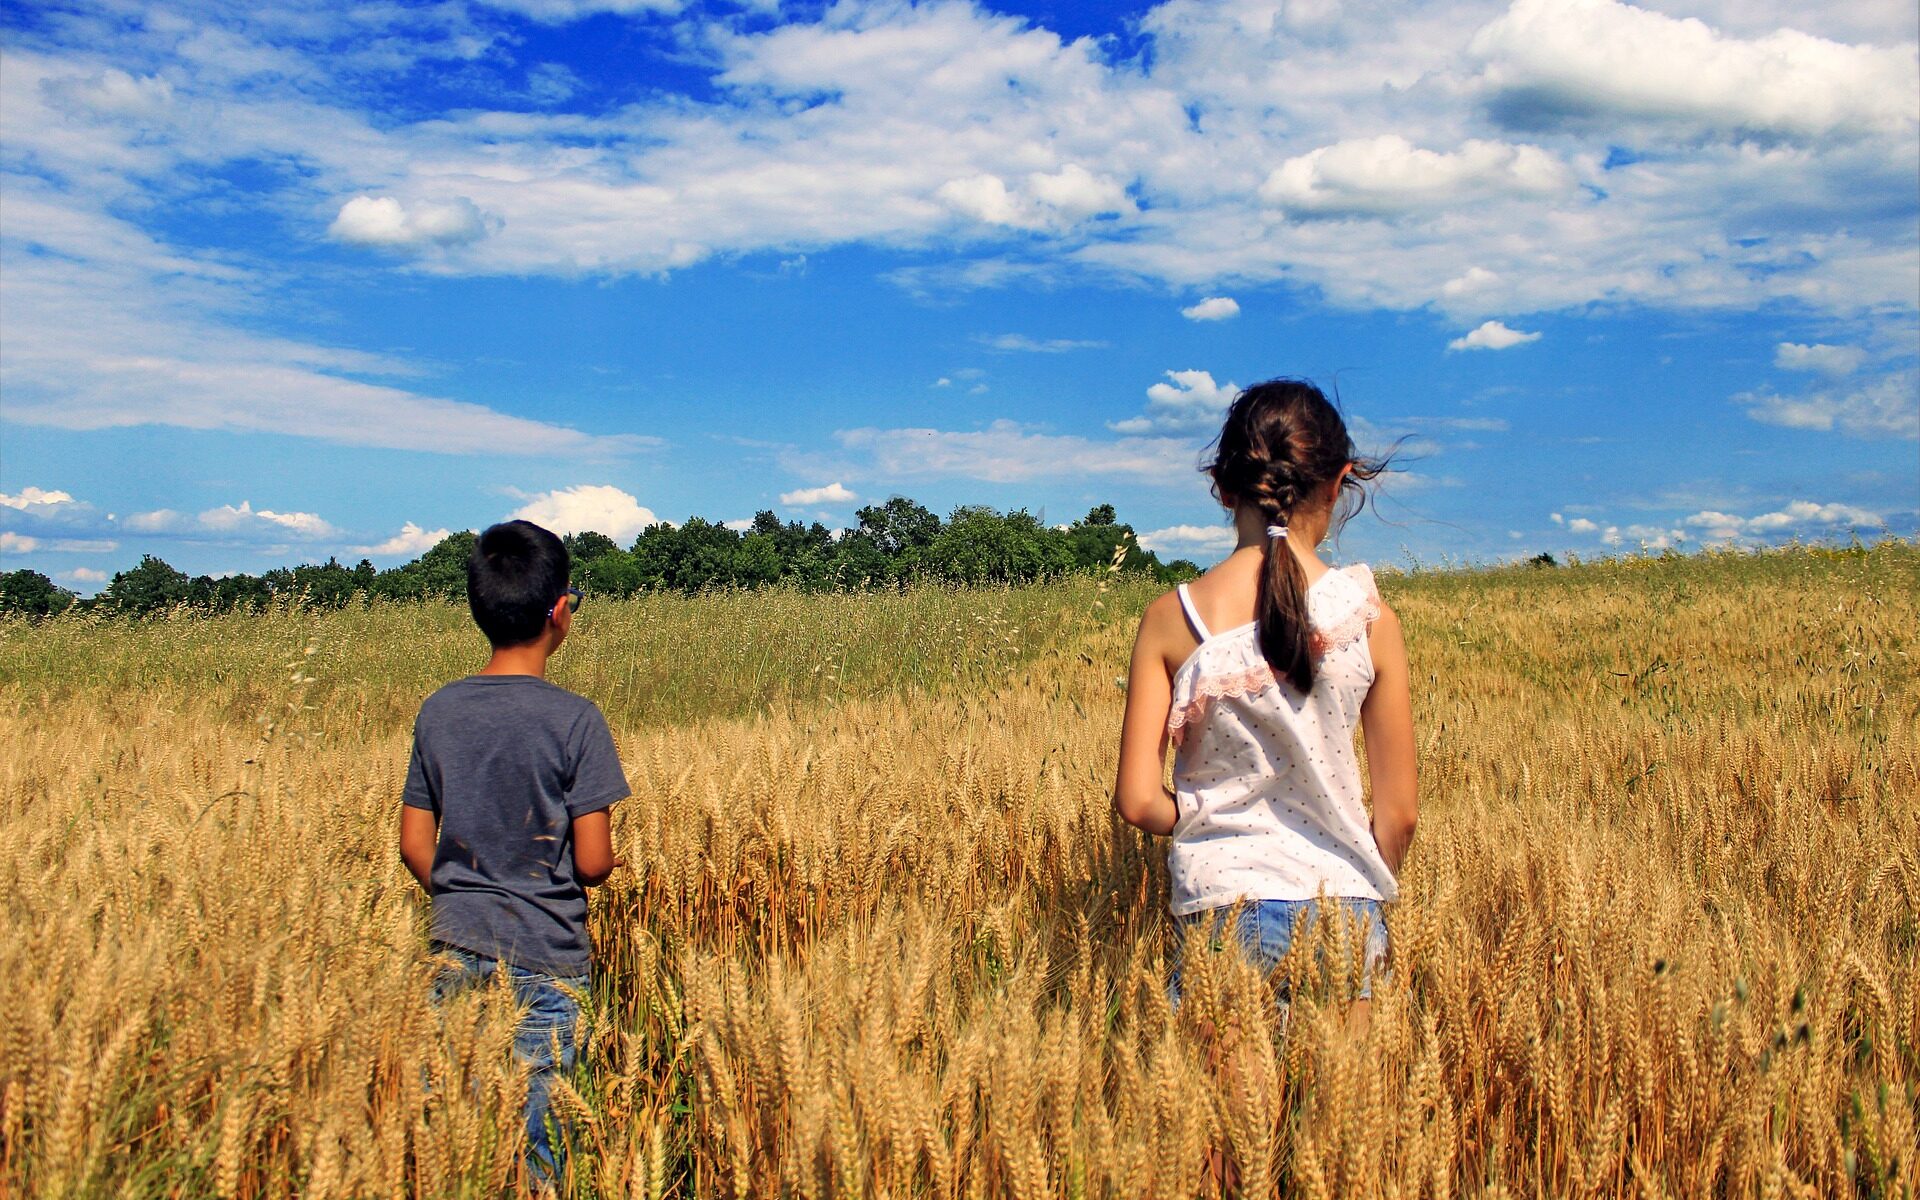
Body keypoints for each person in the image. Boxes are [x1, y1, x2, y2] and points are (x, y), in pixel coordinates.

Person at [1113, 379, 1417, 1029]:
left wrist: (1221, 818)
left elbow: (1138, 800)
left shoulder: (1171, 620)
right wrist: (1345, 873)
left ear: (1223, 487)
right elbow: (1400, 813)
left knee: (1225, 1131)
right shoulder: (1368, 618)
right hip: (1342, 909)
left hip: (1226, 910)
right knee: (1341, 1128)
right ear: (1338, 484)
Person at [398, 520, 630, 1186]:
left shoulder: (438, 712)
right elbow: (591, 862)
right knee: (538, 1151)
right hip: (547, 961)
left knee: (457, 1140)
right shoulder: (577, 720)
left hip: (453, 947)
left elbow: (417, 844)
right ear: (560, 611)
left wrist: (467, 894)